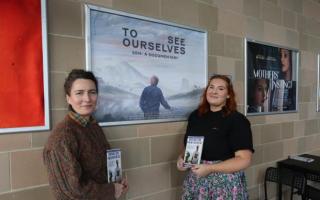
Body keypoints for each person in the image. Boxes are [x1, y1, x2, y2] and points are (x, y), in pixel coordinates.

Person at [43, 69, 128, 200]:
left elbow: (102, 166)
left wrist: (116, 181)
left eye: (92, 92)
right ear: (68, 98)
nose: (87, 99)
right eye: (79, 93)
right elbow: (73, 190)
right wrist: (111, 190)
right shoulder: (63, 137)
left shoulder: (93, 126)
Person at [176, 74, 254, 199]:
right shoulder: (196, 116)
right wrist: (182, 159)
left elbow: (244, 159)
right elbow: (189, 147)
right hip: (196, 182)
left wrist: (210, 168)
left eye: (220, 89)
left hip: (224, 185)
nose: (214, 91)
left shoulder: (237, 120)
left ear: (228, 95)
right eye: (211, 87)